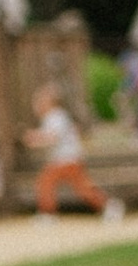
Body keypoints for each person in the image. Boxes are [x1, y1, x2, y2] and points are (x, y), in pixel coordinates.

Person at [29, 76, 108, 213]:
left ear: (48, 102)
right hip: (65, 159)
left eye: (39, 101)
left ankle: (47, 212)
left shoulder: (56, 116)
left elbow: (52, 137)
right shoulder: (54, 117)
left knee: (46, 183)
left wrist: (35, 140)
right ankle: (107, 205)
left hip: (66, 159)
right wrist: (35, 137)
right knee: (80, 187)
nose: (36, 106)